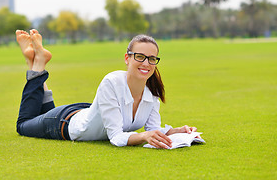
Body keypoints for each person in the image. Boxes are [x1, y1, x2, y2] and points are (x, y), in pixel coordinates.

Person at [15, 29, 197, 149]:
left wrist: (175, 131)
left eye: (151, 59)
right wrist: (143, 137)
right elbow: (116, 137)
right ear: (127, 58)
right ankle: (37, 61)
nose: (146, 63)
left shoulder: (152, 93)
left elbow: (153, 129)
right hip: (64, 123)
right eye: (140, 57)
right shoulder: (112, 82)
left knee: (39, 115)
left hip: (83, 112)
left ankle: (33, 60)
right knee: (24, 124)